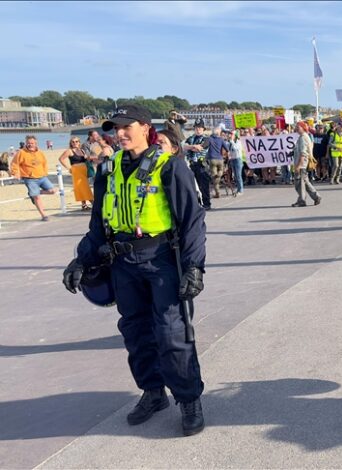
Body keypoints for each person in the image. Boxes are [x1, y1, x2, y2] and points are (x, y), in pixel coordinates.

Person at [62, 104, 207, 436]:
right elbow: (99, 223)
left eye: (127, 126)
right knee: (135, 333)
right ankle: (153, 393)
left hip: (161, 261)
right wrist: (81, 260)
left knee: (172, 334)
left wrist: (194, 267)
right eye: (116, 128)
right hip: (123, 264)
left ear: (145, 127)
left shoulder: (169, 166)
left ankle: (188, 399)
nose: (120, 133)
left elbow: (192, 221)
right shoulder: (108, 169)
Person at [10, 135, 56, 221]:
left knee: (53, 191)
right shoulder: (21, 152)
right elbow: (14, 163)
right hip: (30, 178)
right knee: (37, 197)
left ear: (36, 143)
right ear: (26, 143)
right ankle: (43, 215)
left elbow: (44, 163)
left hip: (42, 176)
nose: (30, 145)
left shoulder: (40, 152)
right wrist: (16, 173)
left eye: (32, 143)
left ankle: (33, 193)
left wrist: (45, 172)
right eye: (28, 143)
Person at [182, 119, 212, 210]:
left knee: (204, 186)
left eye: (200, 128)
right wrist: (193, 147)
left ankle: (206, 204)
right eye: (196, 128)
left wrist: (190, 147)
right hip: (192, 165)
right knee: (193, 186)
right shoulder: (190, 138)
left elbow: (200, 148)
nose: (198, 129)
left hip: (202, 165)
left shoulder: (206, 138)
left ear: (203, 129)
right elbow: (182, 146)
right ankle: (197, 204)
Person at [58, 136, 94, 210]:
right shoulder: (69, 151)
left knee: (82, 187)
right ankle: (93, 203)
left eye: (76, 141)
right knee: (83, 187)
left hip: (84, 171)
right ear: (70, 143)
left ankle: (84, 205)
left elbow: (87, 159)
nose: (75, 143)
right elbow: (61, 159)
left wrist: (87, 157)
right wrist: (69, 168)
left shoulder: (82, 150)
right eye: (73, 142)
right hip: (76, 171)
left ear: (79, 142)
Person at [291, 121, 322, 207]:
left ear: (303, 127)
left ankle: (302, 200)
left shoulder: (303, 137)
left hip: (302, 164)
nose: (296, 128)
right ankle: (316, 197)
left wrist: (299, 165)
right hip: (302, 164)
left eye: (298, 127)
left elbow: (303, 153)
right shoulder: (302, 137)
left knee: (299, 183)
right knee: (305, 182)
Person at [205, 127, 229, 199]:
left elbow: (204, 146)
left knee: (214, 177)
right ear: (219, 133)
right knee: (221, 170)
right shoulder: (221, 139)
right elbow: (227, 149)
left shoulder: (209, 139)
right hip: (220, 159)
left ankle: (217, 192)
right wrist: (225, 155)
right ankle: (220, 174)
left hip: (212, 159)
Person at [225, 130, 244, 195]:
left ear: (235, 136)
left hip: (238, 159)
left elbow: (236, 148)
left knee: (238, 175)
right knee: (235, 176)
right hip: (232, 159)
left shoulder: (238, 142)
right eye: (230, 134)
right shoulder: (229, 142)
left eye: (232, 134)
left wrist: (231, 141)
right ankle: (238, 189)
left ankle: (240, 190)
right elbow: (227, 149)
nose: (230, 135)